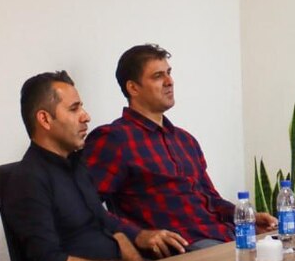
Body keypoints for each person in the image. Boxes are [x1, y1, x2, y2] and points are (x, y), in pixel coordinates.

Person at [1, 71, 188, 261]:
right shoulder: (29, 179)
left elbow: (104, 221)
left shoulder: (76, 163)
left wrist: (139, 240)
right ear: (45, 119)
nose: (86, 116)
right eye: (74, 109)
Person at [83, 44, 275, 249]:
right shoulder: (114, 138)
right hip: (184, 246)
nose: (169, 81)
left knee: (284, 245)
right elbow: (85, 205)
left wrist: (247, 217)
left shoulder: (185, 140)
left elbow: (210, 199)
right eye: (158, 76)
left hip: (222, 234)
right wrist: (138, 235)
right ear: (133, 88)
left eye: (169, 73)